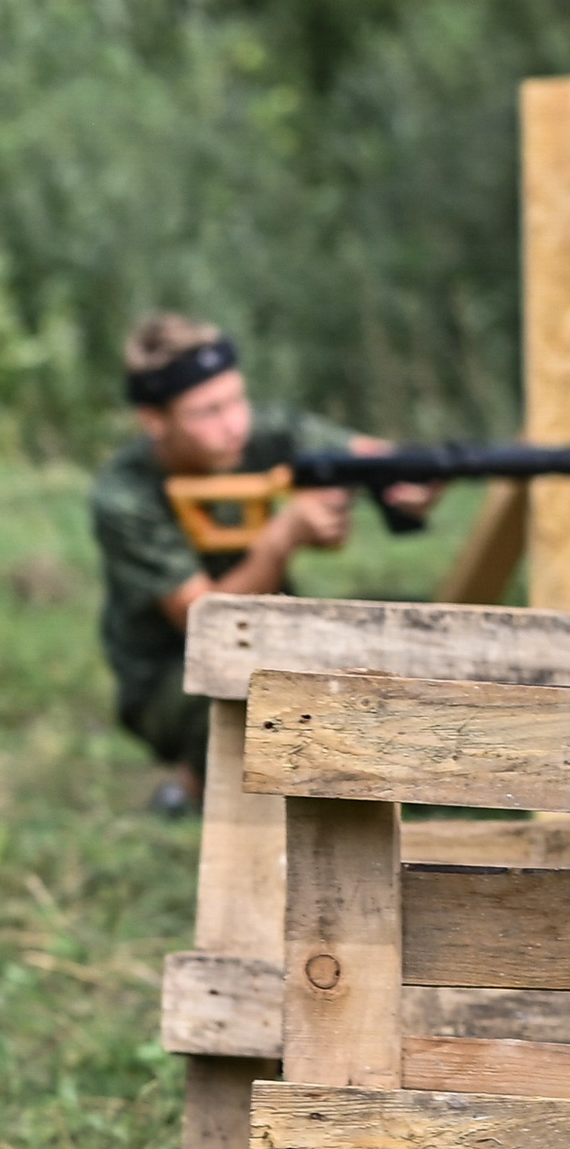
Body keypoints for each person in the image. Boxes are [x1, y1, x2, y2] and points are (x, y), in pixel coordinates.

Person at [88, 313, 436, 813]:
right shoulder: (125, 495)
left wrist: (414, 476)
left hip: (276, 642)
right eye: (207, 412)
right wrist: (281, 541)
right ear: (154, 421)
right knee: (260, 684)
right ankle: (193, 783)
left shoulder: (261, 434)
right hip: (170, 682)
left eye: (236, 400)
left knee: (417, 627)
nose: (234, 425)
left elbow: (370, 454)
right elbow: (204, 623)